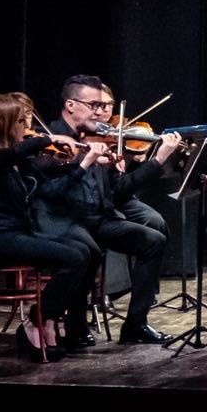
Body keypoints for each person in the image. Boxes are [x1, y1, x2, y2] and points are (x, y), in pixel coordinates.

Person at [42, 74, 182, 344]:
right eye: (93, 105)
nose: (100, 112)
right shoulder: (50, 140)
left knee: (153, 239)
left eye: (102, 106)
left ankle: (135, 325)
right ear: (71, 105)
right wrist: (84, 160)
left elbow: (120, 190)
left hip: (98, 218)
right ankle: (74, 324)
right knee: (88, 249)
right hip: (65, 221)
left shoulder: (100, 139)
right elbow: (52, 191)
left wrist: (158, 160)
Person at [0, 93, 98, 360]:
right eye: (20, 121)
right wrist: (48, 139)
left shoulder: (18, 161)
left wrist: (83, 165)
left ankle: (46, 320)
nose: (25, 127)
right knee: (72, 258)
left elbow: (49, 189)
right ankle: (37, 321)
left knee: (84, 252)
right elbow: (14, 152)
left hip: (18, 233)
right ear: (3, 124)